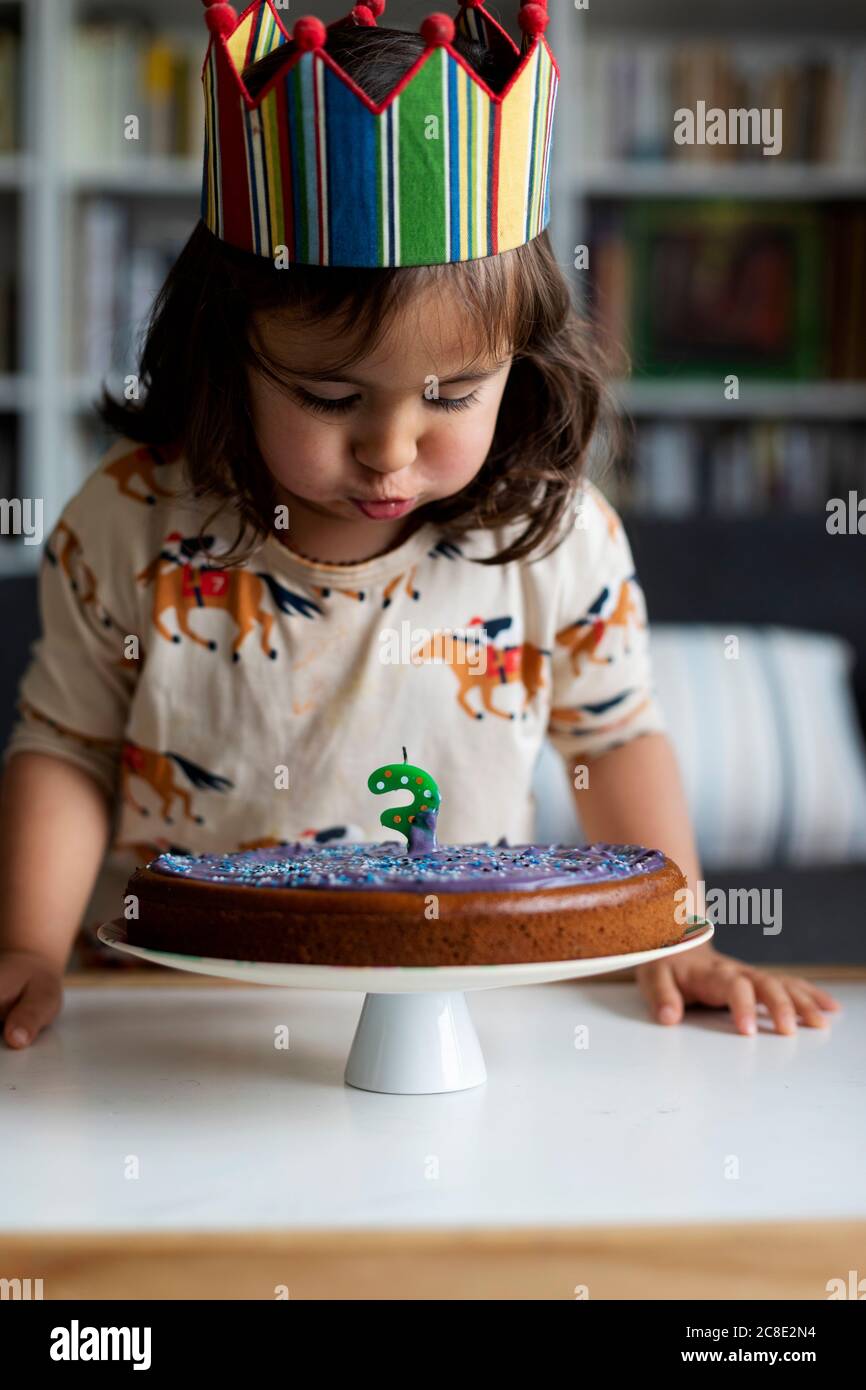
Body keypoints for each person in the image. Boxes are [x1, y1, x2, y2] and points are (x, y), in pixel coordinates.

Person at [0, 4, 839, 1048]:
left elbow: (613, 738)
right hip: (163, 1012)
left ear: (519, 370)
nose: (388, 450)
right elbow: (68, 750)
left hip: (470, 1008)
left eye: (449, 398)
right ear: (230, 352)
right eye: (329, 396)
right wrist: (29, 948)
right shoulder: (128, 524)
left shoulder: (557, 537)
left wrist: (675, 939)